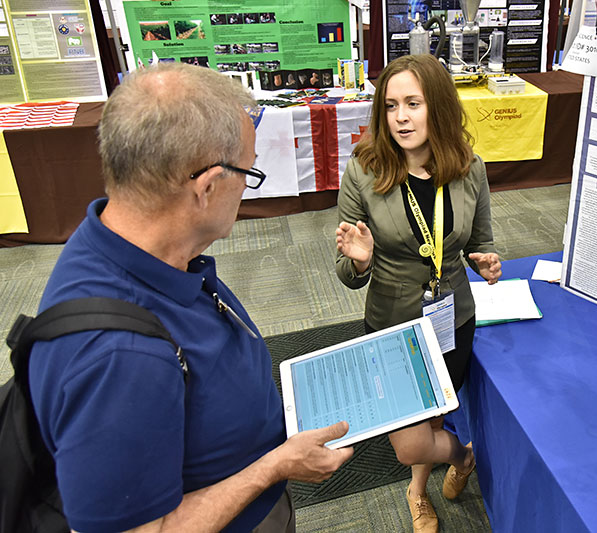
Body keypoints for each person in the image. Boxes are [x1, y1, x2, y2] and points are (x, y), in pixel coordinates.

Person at [27, 63, 353, 533]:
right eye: (248, 172)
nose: (246, 186)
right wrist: (274, 467)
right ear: (206, 187)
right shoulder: (117, 357)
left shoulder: (129, 241)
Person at [335, 53, 502, 532]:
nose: (401, 118)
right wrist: (361, 260)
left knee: (432, 420)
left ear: (440, 108)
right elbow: (346, 272)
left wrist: (484, 259)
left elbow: (480, 239)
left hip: (452, 316)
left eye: (413, 103)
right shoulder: (364, 169)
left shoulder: (469, 167)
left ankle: (416, 490)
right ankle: (465, 456)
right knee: (410, 441)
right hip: (391, 321)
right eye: (390, 106)